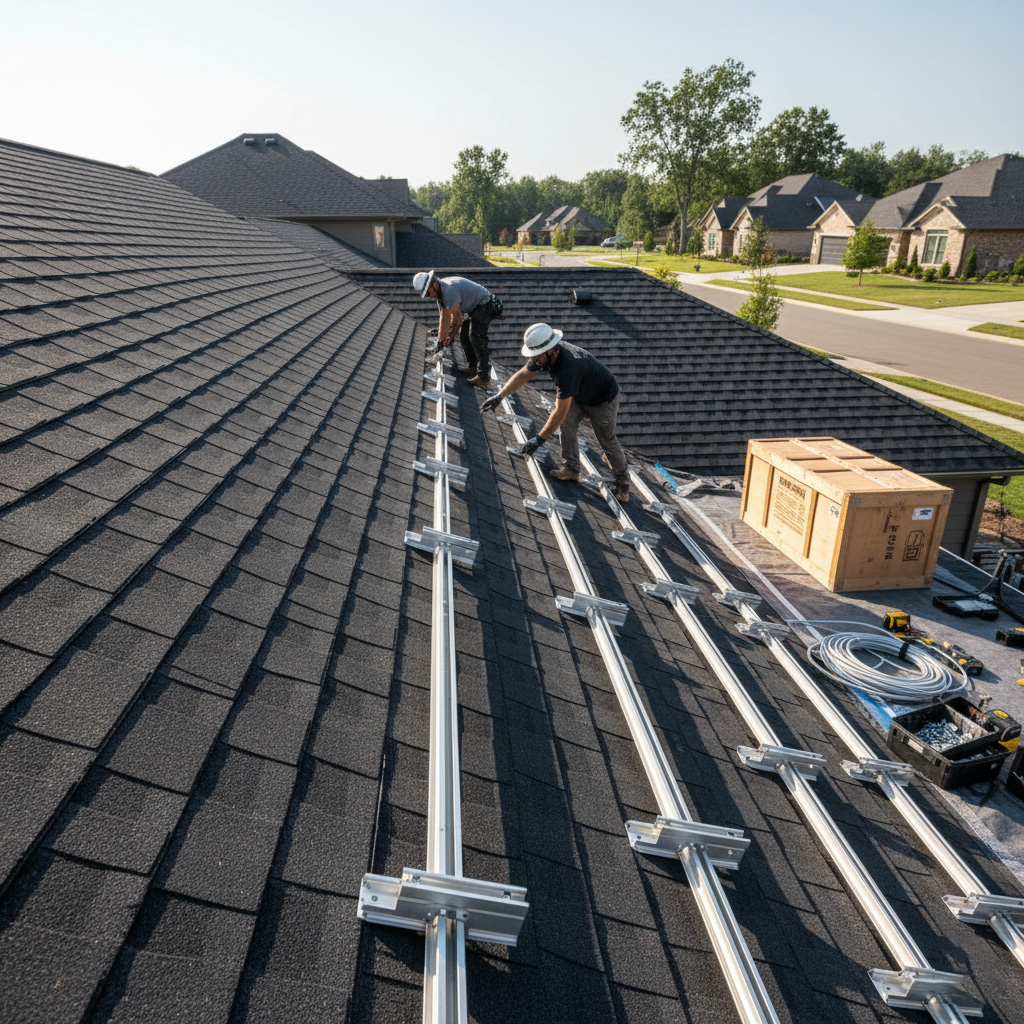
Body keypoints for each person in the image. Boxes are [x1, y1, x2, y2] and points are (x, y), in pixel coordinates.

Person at [481, 322, 630, 503]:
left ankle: (623, 484)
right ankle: (572, 469)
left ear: (550, 350)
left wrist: (539, 439)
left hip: (603, 399)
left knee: (606, 439)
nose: (535, 360)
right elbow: (523, 374)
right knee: (567, 424)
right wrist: (499, 396)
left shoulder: (567, 369)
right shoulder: (545, 355)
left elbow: (559, 412)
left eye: (537, 356)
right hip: (581, 392)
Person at [412, 270, 502, 386]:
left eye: (429, 293)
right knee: (464, 335)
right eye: (427, 295)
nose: (430, 296)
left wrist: (450, 336)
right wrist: (440, 343)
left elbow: (457, 320)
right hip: (474, 308)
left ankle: (484, 376)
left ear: (434, 284)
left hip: (487, 304)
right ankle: (473, 367)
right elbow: (444, 319)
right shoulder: (440, 295)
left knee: (475, 336)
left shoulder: (449, 290)